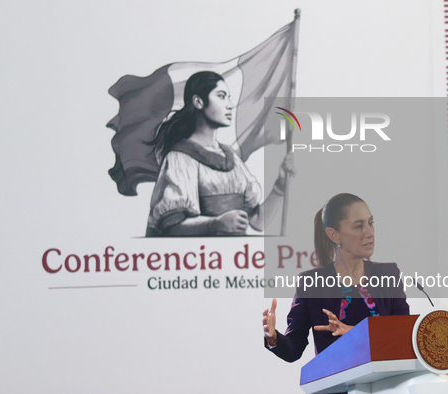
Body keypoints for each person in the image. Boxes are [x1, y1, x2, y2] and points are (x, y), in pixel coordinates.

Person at [262, 193, 409, 362]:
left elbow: (403, 334)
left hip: (386, 385)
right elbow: (294, 348)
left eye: (371, 223)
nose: (369, 233)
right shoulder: (312, 284)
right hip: (339, 384)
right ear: (334, 235)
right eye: (358, 226)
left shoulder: (388, 274)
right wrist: (273, 338)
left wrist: (354, 332)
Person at [146, 71, 293, 236]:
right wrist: (214, 224)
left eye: (228, 97)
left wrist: (280, 184)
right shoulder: (180, 158)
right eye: (221, 96)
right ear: (198, 102)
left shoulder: (231, 157)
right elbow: (171, 228)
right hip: (200, 258)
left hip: (235, 257)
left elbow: (258, 221)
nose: (229, 105)